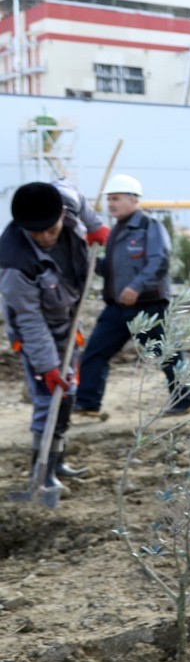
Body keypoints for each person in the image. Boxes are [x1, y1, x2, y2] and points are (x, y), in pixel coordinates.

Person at [1, 182, 106, 487]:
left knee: (68, 395)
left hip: (68, 322)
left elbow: (76, 193)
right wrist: (47, 366)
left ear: (61, 213)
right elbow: (30, 321)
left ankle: (58, 462)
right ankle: (41, 472)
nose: (46, 237)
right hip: (36, 335)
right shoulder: (13, 263)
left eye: (51, 228)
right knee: (50, 398)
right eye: (37, 233)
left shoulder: (66, 203)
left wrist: (96, 227)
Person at [75, 174, 190, 420]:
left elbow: (159, 261)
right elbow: (113, 269)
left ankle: (183, 400)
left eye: (115, 199)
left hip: (149, 305)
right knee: (95, 352)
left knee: (167, 353)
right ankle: (87, 403)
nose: (111, 205)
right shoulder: (116, 231)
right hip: (118, 307)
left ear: (132, 199)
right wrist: (90, 259)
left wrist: (136, 287)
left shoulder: (150, 227)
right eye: (109, 200)